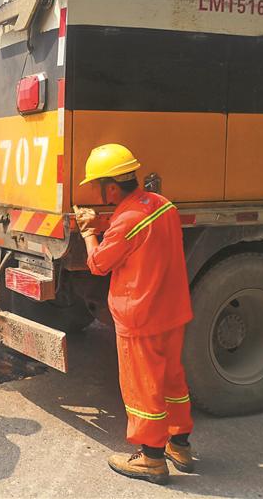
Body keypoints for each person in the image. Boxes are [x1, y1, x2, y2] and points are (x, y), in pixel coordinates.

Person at [74, 144, 194, 485]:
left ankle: (151, 458)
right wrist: (103, 223)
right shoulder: (161, 205)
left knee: (144, 389)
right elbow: (135, 231)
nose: (98, 192)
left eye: (98, 185)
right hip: (173, 311)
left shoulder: (126, 222)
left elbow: (98, 264)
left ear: (111, 187)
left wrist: (88, 233)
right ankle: (180, 446)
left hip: (140, 317)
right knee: (172, 381)